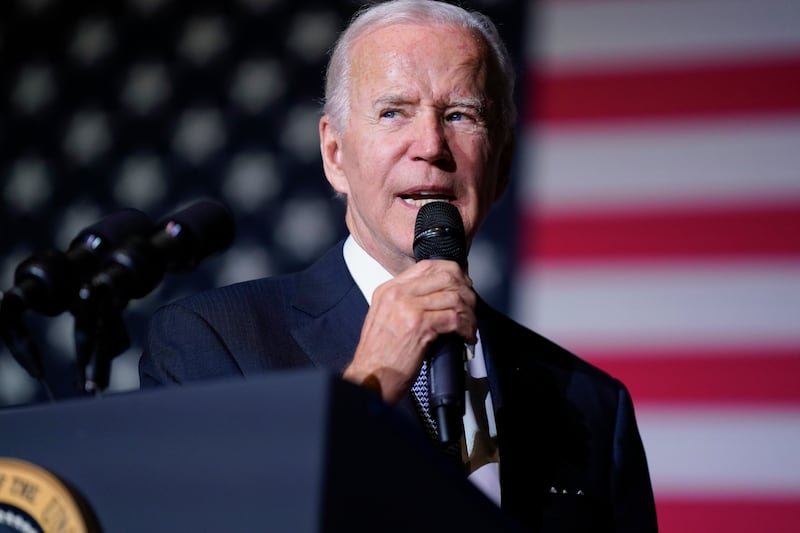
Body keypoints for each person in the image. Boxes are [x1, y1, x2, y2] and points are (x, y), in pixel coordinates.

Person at [139, 1, 658, 531]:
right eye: (393, 112)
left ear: (501, 168)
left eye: (460, 115)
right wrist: (368, 385)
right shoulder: (212, 345)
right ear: (335, 154)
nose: (431, 146)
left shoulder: (594, 404)